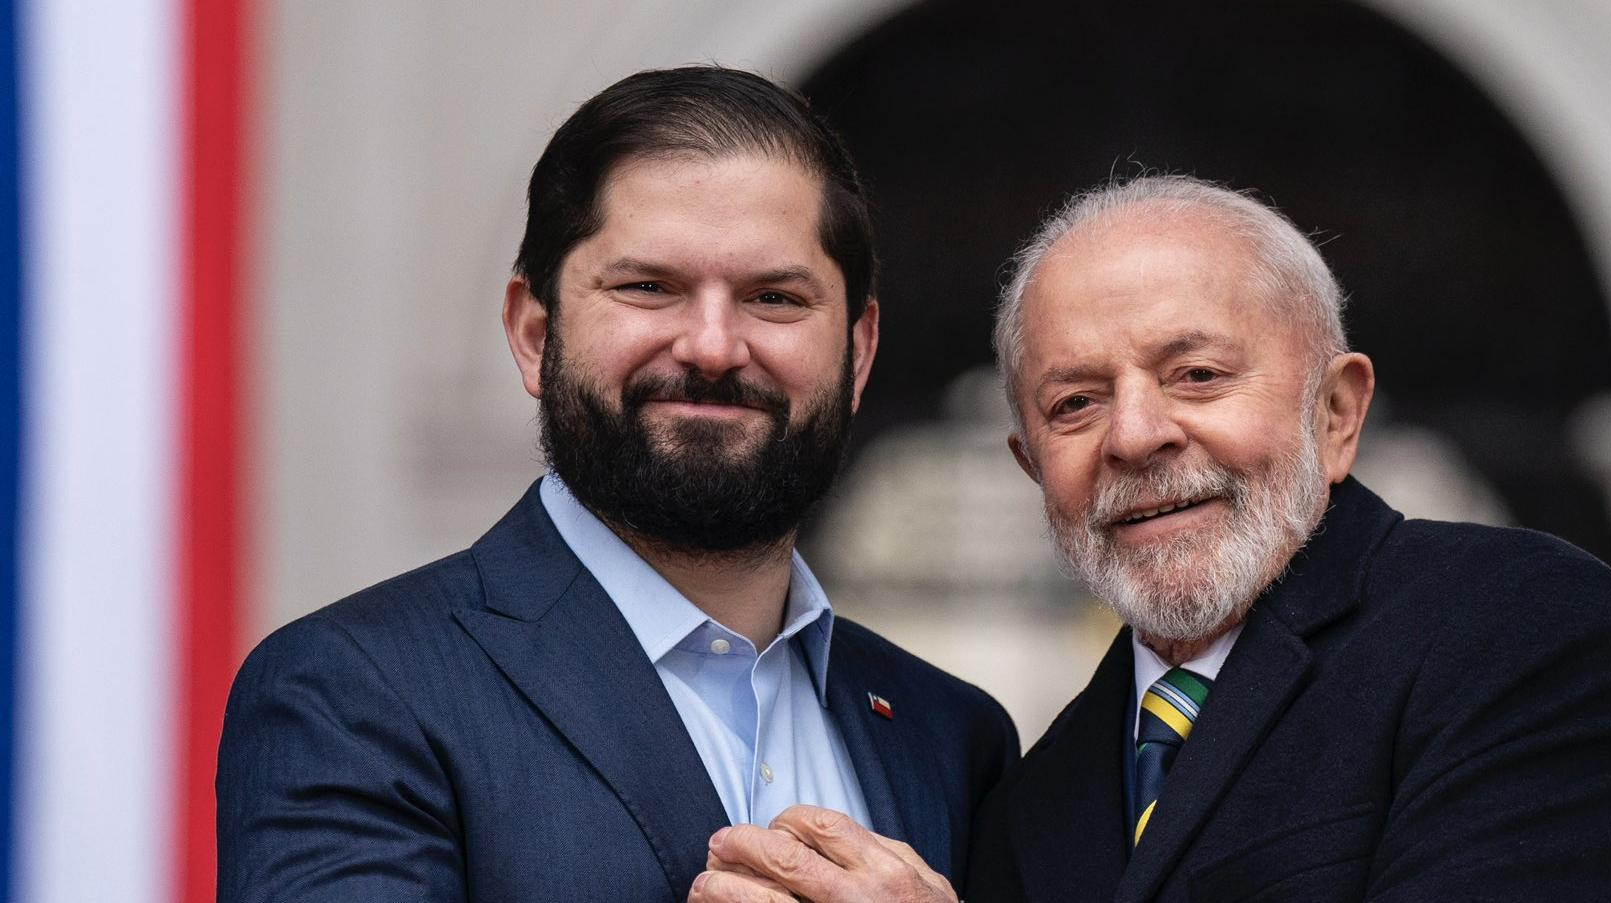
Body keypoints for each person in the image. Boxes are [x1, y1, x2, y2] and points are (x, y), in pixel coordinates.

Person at [692, 175, 1611, 902]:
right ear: (1030, 468)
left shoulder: (1516, 632)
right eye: (1076, 402)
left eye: (1198, 376)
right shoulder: (1036, 796)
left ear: (1338, 414)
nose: (1136, 436)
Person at [216, 66, 1017, 902]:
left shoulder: (953, 736)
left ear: (860, 354)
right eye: (649, 288)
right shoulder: (353, 693)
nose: (713, 346)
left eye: (774, 297)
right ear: (534, 333)